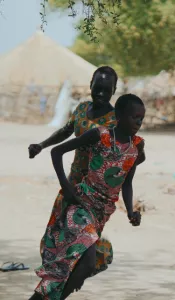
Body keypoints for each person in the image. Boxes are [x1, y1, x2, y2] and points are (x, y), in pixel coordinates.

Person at [28, 66, 145, 279]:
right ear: (90, 86)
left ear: (114, 90)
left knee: (81, 249)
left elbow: (131, 156)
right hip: (70, 185)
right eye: (97, 88)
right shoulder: (82, 109)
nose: (100, 93)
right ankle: (54, 286)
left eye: (106, 90)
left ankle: (61, 285)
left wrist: (129, 208)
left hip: (94, 195)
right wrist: (41, 145)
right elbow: (66, 131)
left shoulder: (116, 121)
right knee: (55, 239)